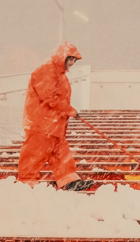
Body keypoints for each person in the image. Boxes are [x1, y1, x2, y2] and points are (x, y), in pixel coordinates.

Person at [17, 42, 94, 191]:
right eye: (70, 59)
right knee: (34, 154)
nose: (72, 63)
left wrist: (66, 113)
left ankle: (69, 181)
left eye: (74, 60)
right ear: (62, 57)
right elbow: (48, 97)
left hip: (54, 125)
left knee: (61, 155)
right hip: (41, 124)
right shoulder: (46, 71)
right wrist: (69, 110)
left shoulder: (61, 76)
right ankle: (27, 185)